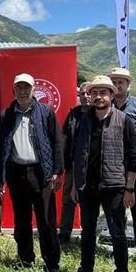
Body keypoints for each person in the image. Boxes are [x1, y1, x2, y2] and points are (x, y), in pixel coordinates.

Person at [65, 75, 136, 272]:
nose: (98, 97)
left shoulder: (123, 120)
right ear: (89, 96)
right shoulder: (82, 121)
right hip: (87, 187)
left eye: (103, 92)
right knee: (88, 231)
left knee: (118, 233)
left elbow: (133, 156)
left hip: (114, 186)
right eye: (94, 93)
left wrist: (129, 188)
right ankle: (86, 271)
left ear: (111, 95)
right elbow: (77, 154)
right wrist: (75, 185)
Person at [0, 73, 62, 272]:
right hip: (16, 172)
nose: (22, 91)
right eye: (18, 87)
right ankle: (25, 259)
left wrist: (56, 171)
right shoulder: (6, 115)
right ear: (13, 91)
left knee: (46, 220)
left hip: (41, 173)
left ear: (33, 89)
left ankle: (52, 264)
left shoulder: (45, 112)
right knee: (21, 220)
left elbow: (57, 142)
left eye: (26, 87)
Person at [108, 67, 136, 259]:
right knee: (115, 206)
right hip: (114, 163)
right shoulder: (105, 107)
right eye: (115, 81)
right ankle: (119, 249)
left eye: (122, 82)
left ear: (128, 84)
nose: (118, 85)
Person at [57, 82, 90, 246]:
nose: (85, 97)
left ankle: (88, 234)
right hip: (72, 165)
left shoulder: (97, 114)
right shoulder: (73, 114)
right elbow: (64, 138)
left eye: (88, 93)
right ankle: (64, 233)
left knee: (88, 202)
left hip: (90, 168)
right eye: (82, 94)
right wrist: (61, 164)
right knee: (68, 200)